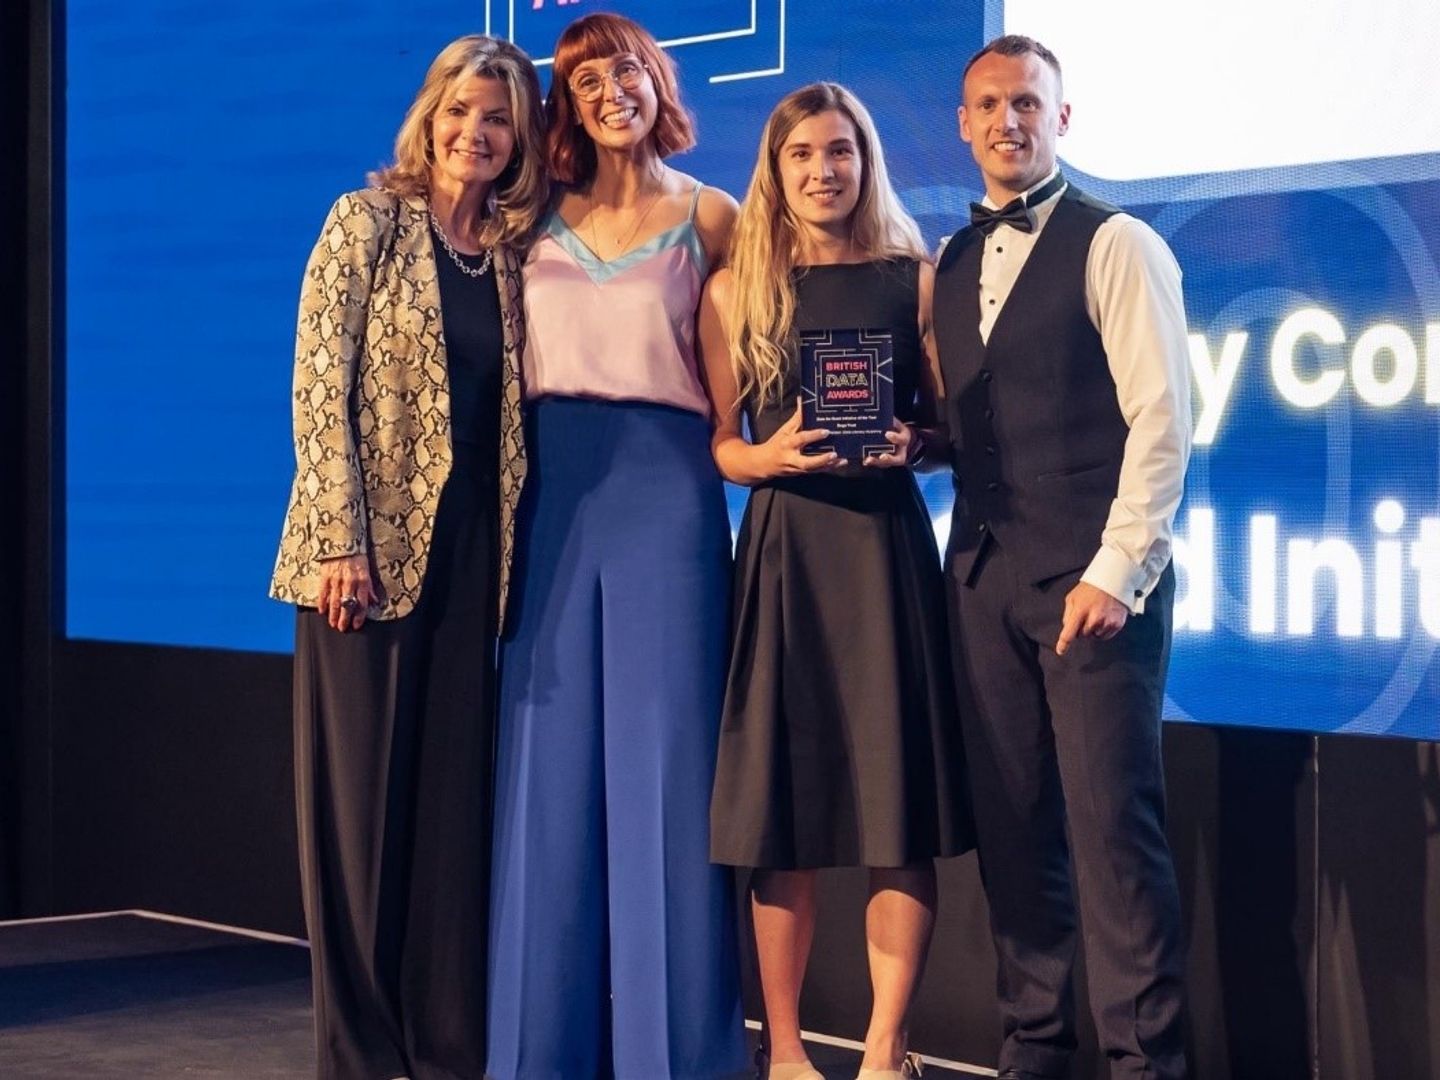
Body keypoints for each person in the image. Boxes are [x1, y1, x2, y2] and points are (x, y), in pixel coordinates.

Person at [268, 34, 547, 1080]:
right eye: (460, 112)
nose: (477, 133)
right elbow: (317, 386)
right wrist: (338, 539)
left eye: (498, 119)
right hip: (364, 559)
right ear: (429, 119)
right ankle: (361, 1051)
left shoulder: (512, 254)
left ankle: (444, 1046)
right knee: (361, 819)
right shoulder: (367, 222)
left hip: (475, 558)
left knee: (448, 813)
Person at [485, 13, 748, 1080]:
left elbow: (782, 332)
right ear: (567, 104)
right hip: (549, 492)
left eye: (625, 70)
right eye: (586, 79)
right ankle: (534, 1054)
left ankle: (674, 1057)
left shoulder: (713, 214)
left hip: (668, 491)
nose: (609, 92)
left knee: (668, 775)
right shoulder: (527, 214)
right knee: (541, 777)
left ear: (657, 81)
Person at [701, 83, 975, 1080]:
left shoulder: (918, 280)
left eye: (840, 151)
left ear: (866, 161)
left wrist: (918, 444)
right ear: (774, 172)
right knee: (786, 820)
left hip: (884, 557)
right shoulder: (736, 291)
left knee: (896, 815)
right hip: (785, 560)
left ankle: (884, 1050)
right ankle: (783, 1053)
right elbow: (721, 444)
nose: (823, 171)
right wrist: (764, 458)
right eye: (803, 155)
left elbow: (950, 434)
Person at [933, 34, 1193, 1080]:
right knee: (1014, 831)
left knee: (1114, 840)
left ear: (1062, 118)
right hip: (982, 580)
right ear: (964, 124)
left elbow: (1163, 421)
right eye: (990, 104)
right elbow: (981, 417)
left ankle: (1144, 1064)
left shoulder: (1118, 242)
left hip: (1095, 583)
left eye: (1028, 104)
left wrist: (1117, 569)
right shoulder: (950, 261)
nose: (1009, 120)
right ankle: (1034, 1050)